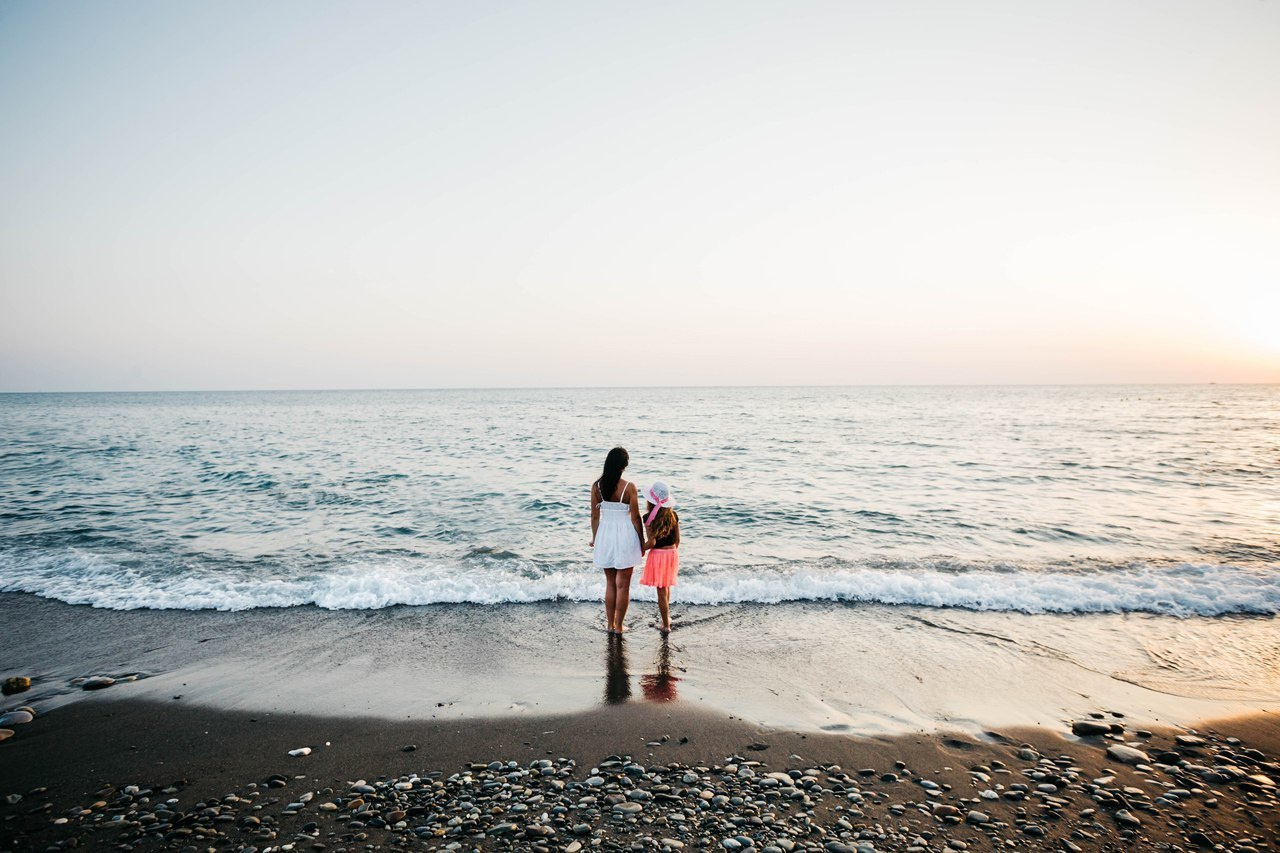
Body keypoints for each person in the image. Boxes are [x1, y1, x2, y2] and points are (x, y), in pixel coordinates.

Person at [590, 447, 645, 634]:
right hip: (625, 535)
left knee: (610, 582)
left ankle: (610, 624)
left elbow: (595, 517)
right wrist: (641, 540)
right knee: (623, 585)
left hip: (606, 534)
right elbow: (636, 518)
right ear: (624, 466)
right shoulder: (629, 487)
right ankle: (620, 626)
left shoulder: (597, 486)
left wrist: (596, 539)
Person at [640, 481, 679, 634]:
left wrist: (640, 549)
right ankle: (666, 618)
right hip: (672, 553)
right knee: (666, 586)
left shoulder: (648, 517)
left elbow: (652, 542)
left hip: (658, 555)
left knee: (661, 591)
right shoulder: (673, 515)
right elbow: (678, 540)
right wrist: (672, 553)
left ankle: (666, 625)